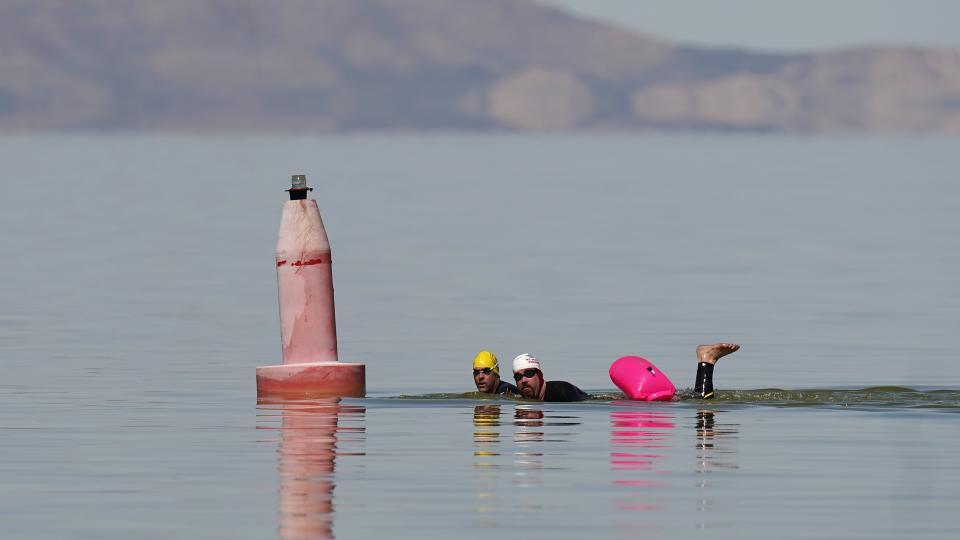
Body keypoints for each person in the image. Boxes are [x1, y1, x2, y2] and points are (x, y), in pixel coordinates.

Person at [512, 353, 588, 402]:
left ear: (540, 375)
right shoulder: (517, 396)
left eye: (529, 373)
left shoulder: (562, 392)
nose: (523, 380)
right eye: (518, 377)